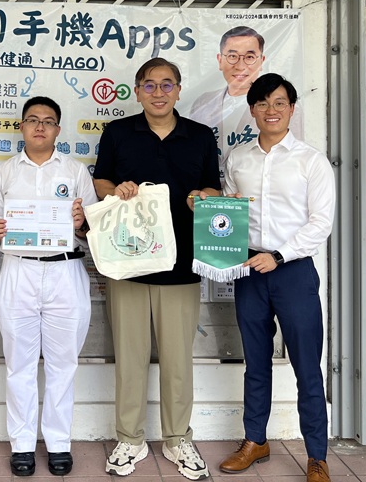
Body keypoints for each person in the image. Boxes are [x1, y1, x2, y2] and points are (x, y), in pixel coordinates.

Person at [92, 58, 220, 480]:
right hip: (127, 263)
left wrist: (202, 196)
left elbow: (213, 186)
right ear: (137, 91)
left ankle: (177, 438)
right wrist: (117, 190)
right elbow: (101, 181)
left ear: (179, 90)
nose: (159, 92)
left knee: (178, 359)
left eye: (167, 85)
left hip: (181, 263)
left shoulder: (200, 136)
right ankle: (130, 439)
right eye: (150, 85)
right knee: (129, 358)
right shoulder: (117, 133)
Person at [216, 74, 334, 482]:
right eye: (263, 103)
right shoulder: (238, 158)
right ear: (252, 109)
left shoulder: (311, 160)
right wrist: (214, 210)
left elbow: (321, 223)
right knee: (255, 363)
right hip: (250, 271)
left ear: (291, 108)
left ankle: (317, 456)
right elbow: (229, 211)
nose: (271, 110)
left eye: (279, 103)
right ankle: (255, 441)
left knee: (307, 366)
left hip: (293, 272)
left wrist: (279, 256)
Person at [0, 97, 98, 477]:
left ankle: (59, 443)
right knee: (20, 364)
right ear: (22, 127)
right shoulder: (5, 172)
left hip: (66, 271)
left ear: (58, 129)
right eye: (32, 120)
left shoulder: (75, 171)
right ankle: (22, 445)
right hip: (19, 271)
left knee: (64, 364)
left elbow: (90, 228)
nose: (40, 126)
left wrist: (81, 222)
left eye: (48, 121)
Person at [188, 27, 303, 179]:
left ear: (261, 61)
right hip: (208, 189)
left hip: (259, 186)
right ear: (220, 60)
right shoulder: (203, 103)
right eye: (232, 56)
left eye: (249, 57)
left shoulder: (282, 108)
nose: (240, 66)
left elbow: (293, 157)